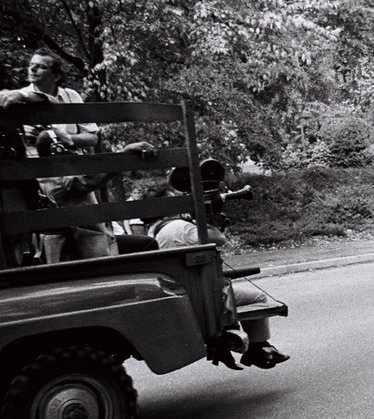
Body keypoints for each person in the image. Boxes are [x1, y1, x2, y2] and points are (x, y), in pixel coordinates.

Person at [146, 185, 290, 370]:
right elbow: (219, 238)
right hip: (201, 296)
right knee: (258, 297)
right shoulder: (178, 227)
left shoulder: (154, 230)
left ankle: (236, 343)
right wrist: (208, 219)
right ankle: (259, 348)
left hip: (182, 290)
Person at [34, 130, 157, 262]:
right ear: (57, 149)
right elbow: (91, 178)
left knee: (147, 244)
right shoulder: (57, 181)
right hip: (84, 248)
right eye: (71, 148)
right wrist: (123, 154)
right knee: (147, 245)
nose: (77, 152)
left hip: (92, 240)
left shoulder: (52, 175)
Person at [6, 49, 100, 153]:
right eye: (31, 64)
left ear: (56, 76)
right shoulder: (18, 97)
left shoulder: (71, 96)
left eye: (41, 66)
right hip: (33, 164)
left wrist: (67, 137)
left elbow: (93, 138)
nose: (32, 69)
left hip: (70, 163)